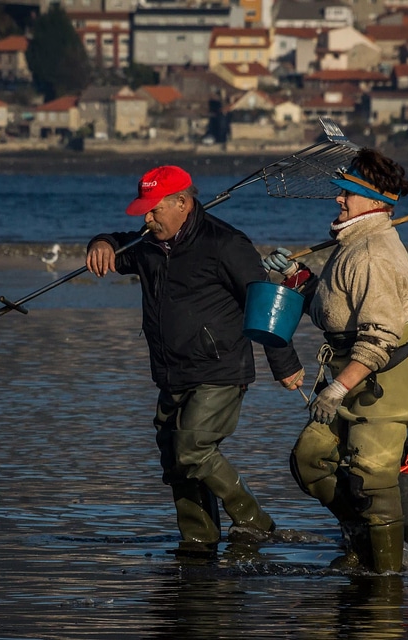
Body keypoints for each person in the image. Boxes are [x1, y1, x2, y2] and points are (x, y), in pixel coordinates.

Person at [85, 165, 306, 549]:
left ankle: (255, 521)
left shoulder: (226, 244)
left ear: (183, 203)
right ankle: (199, 542)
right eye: (145, 211)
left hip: (219, 370)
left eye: (154, 211)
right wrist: (101, 242)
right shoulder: (149, 242)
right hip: (170, 372)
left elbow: (264, 303)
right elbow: (117, 247)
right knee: (175, 460)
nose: (148, 219)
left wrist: (284, 365)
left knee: (193, 448)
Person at [262, 148, 408, 573]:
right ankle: (361, 540)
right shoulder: (354, 242)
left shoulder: (374, 253)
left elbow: (378, 340)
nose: (338, 199)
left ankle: (387, 574)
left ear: (375, 202)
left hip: (383, 376)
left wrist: (337, 390)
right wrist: (296, 278)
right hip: (347, 365)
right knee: (310, 460)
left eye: (348, 193)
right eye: (341, 191)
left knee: (371, 478)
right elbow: (336, 303)